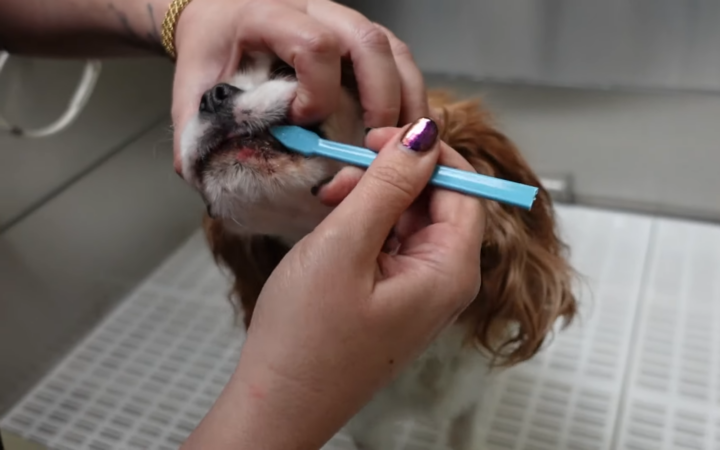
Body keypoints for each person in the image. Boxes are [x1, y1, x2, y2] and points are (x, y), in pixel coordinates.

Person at [1, 1, 486, 449]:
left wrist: (186, 12)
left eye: (282, 73)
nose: (215, 96)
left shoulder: (461, 238)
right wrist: (293, 391)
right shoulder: (260, 257)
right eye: (215, 89)